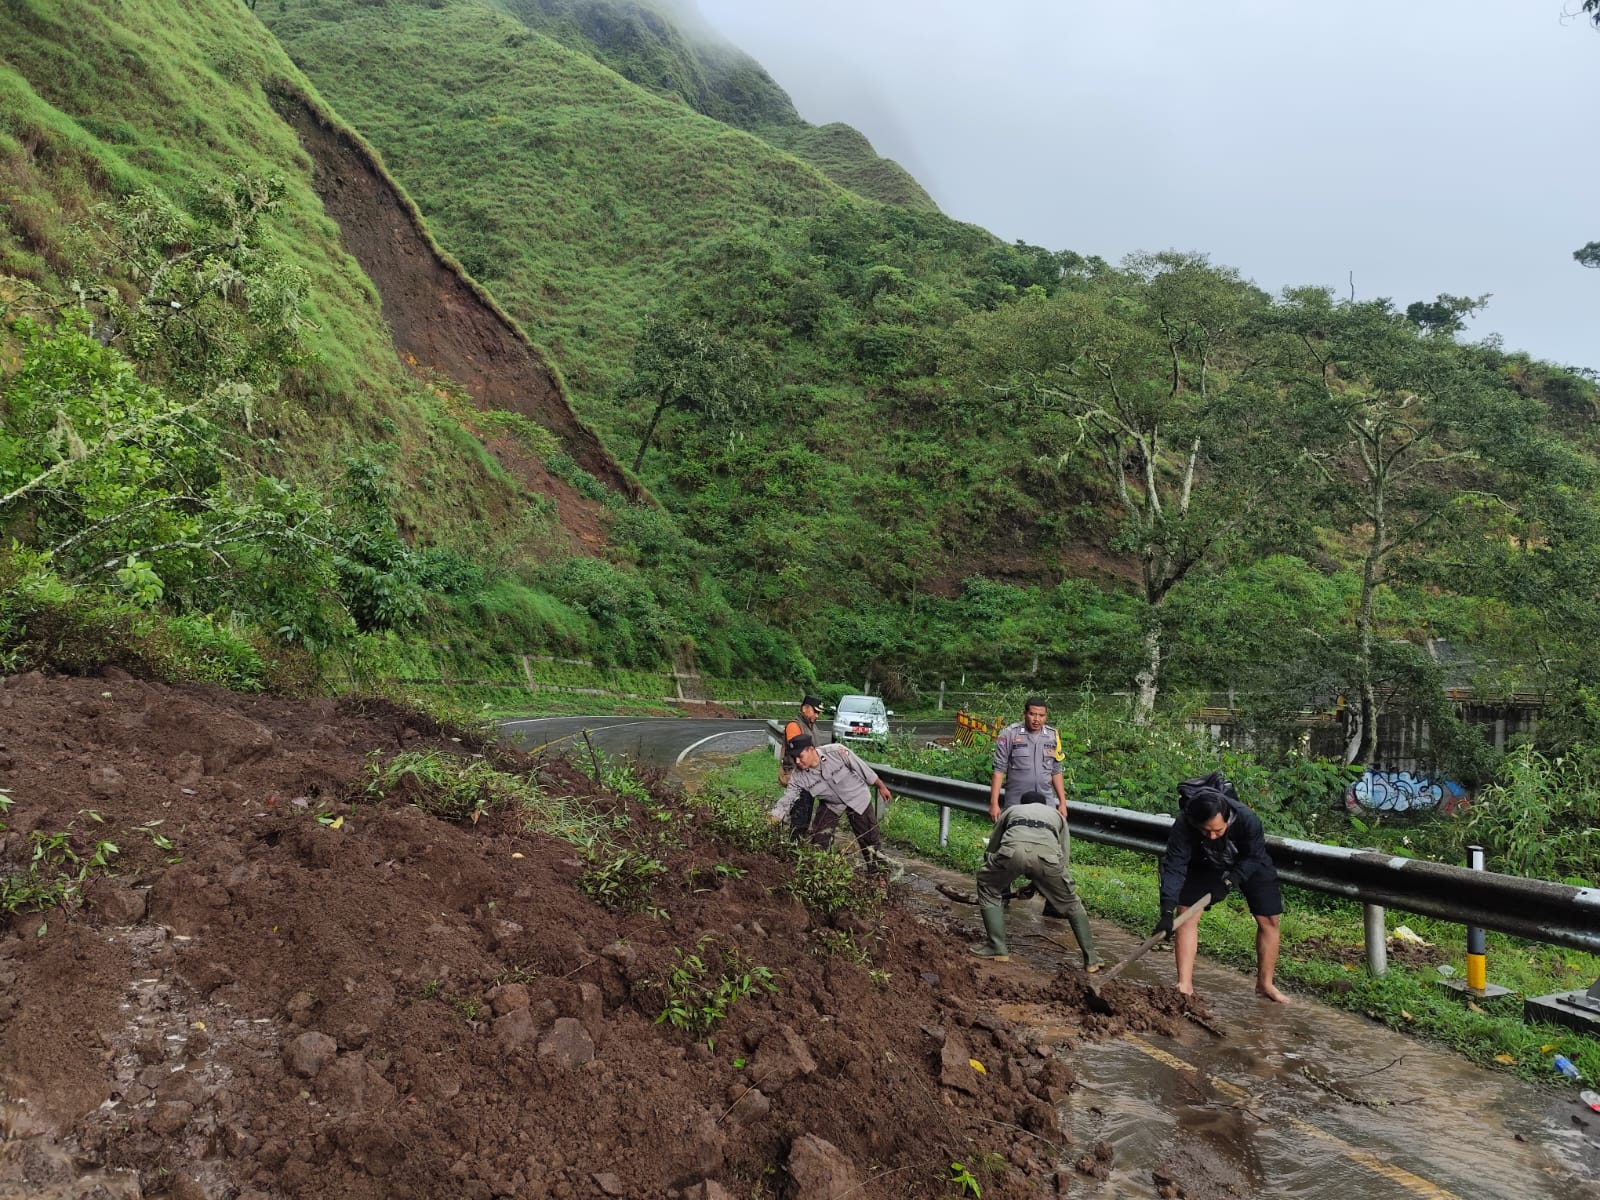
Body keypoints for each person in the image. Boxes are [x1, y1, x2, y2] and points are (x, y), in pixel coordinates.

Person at [1154, 773, 1290, 1004]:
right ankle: (1184, 985)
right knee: (1186, 913)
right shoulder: (1185, 824)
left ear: (1227, 818)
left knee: (1270, 919)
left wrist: (1228, 882)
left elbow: (1255, 856)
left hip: (1248, 860)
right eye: (1206, 831)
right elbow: (1176, 866)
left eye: (1218, 830)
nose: (1213, 835)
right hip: (1204, 861)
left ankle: (1265, 984)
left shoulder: (1247, 819)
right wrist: (1166, 909)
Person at [970, 790, 1101, 972]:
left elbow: (993, 846)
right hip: (1048, 859)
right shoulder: (1057, 815)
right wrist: (1039, 883)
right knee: (1071, 903)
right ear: (1045, 805)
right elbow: (1063, 857)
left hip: (1011, 852)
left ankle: (997, 946)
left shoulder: (1013, 810)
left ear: (1023, 803)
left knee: (987, 886)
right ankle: (1092, 958)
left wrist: (994, 873)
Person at [769, 734, 893, 872]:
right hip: (831, 804)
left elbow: (862, 768)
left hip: (857, 797)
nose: (797, 761)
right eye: (794, 757)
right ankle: (820, 873)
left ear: (811, 749)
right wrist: (774, 817)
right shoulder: (798, 777)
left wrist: (881, 786)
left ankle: (879, 878)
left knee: (870, 840)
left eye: (800, 756)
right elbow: (788, 798)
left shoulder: (836, 752)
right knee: (819, 839)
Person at [989, 697, 1066, 821]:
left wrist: (1062, 802)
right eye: (1032, 714)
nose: (1037, 719)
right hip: (1017, 802)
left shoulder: (1052, 736)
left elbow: (1056, 771)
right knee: (1016, 837)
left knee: (1045, 837)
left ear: (1046, 716)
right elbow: (999, 770)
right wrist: (994, 804)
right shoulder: (1009, 734)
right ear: (1024, 714)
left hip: (1045, 802)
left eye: (1041, 715)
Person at [778, 695, 824, 838]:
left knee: (806, 813)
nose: (817, 715)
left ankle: (797, 841)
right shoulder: (795, 726)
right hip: (797, 777)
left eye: (819, 713)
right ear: (804, 708)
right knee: (799, 815)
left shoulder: (812, 727)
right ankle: (794, 843)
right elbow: (796, 751)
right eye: (815, 712)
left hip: (809, 777)